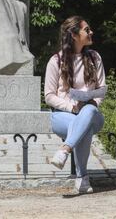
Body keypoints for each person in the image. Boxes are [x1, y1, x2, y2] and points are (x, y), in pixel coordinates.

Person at [44, 16, 106, 194]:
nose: (91, 32)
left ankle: (65, 149)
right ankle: (82, 178)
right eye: (87, 29)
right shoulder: (56, 61)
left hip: (92, 114)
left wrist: (92, 100)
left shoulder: (95, 58)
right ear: (74, 34)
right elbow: (49, 96)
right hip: (63, 115)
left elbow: (101, 88)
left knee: (88, 111)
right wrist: (72, 107)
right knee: (82, 128)